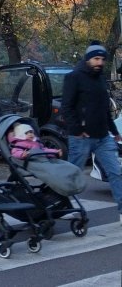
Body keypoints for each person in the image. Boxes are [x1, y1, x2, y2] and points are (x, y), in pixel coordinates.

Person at [62, 41, 122, 225]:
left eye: (102, 59)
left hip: (103, 136)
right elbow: (67, 107)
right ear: (88, 58)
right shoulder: (74, 77)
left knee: (116, 172)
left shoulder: (100, 78)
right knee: (73, 175)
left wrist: (114, 131)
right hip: (82, 138)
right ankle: (62, 206)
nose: (99, 62)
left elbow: (104, 108)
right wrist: (78, 130)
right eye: (96, 58)